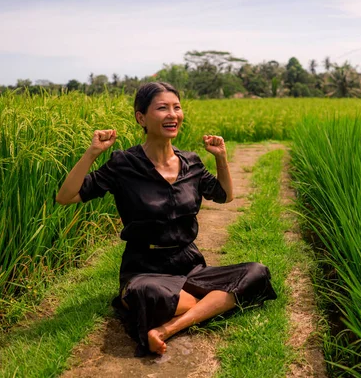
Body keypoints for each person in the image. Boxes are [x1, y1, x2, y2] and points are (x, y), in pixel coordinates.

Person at [55, 82, 277, 356]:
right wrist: (92, 153)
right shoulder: (123, 164)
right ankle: (214, 301)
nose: (173, 115)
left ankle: (168, 328)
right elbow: (67, 196)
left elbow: (225, 196)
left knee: (256, 272)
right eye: (162, 108)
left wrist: (221, 158)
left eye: (177, 107)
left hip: (189, 265)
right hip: (144, 268)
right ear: (141, 117)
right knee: (149, 293)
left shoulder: (191, 163)